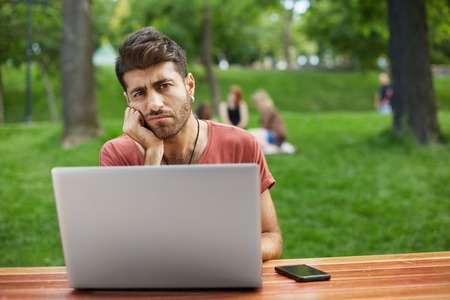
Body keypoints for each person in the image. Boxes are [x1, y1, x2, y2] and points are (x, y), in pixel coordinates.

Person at [99, 27, 282, 261]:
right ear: (128, 101)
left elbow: (270, 236)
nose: (154, 104)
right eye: (139, 93)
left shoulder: (241, 144)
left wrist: (221, 253)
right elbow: (125, 250)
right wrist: (153, 154)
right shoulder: (117, 154)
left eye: (163, 86)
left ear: (190, 86)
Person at [249, 89, 295, 154]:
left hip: (275, 135)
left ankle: (269, 147)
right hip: (276, 135)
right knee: (253, 134)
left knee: (251, 134)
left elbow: (264, 127)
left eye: (256, 104)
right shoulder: (269, 109)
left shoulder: (268, 111)